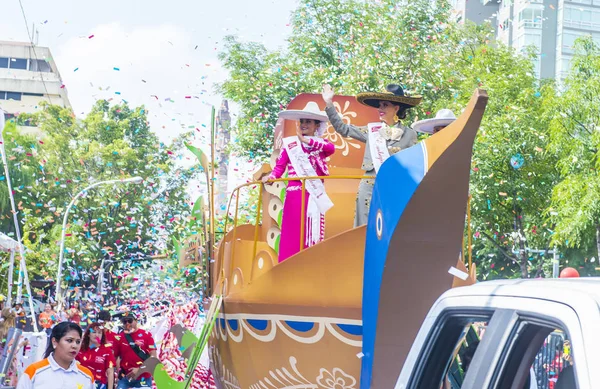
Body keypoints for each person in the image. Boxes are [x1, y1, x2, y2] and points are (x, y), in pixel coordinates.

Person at [322, 83, 422, 226]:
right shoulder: (372, 131)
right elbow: (343, 129)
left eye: (385, 105)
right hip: (369, 186)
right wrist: (329, 103)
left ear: (396, 108)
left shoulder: (409, 134)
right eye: (379, 105)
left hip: (392, 186)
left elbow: (411, 166)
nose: (380, 109)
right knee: (364, 226)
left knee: (389, 226)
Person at [262, 102, 335, 262]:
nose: (303, 125)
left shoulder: (321, 145)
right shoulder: (290, 145)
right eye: (301, 121)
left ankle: (310, 264)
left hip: (313, 196)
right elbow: (279, 168)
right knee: (292, 232)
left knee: (311, 231)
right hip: (294, 196)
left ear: (317, 125)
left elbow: (331, 148)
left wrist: (306, 140)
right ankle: (288, 265)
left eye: (308, 121)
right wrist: (271, 177)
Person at [16, 322, 94, 389]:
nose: (74, 346)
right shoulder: (34, 372)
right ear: (54, 342)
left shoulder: (86, 376)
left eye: (78, 342)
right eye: (69, 340)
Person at [114, 312, 156, 389]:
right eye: (124, 322)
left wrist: (139, 369)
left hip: (143, 377)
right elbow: (116, 357)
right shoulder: (119, 337)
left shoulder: (147, 335)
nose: (127, 324)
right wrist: (118, 371)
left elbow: (153, 357)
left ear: (136, 321)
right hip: (125, 378)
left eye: (130, 321)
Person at [77, 322, 116, 389]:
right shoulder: (80, 349)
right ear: (89, 334)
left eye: (99, 333)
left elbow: (110, 372)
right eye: (94, 332)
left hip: (99, 385)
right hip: (81, 384)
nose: (97, 335)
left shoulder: (107, 350)